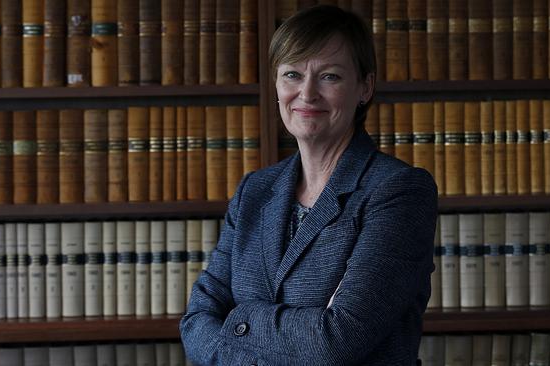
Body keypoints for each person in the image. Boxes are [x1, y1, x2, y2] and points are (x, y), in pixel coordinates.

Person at [180, 5, 437, 365]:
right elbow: (195, 324)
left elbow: (336, 342)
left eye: (329, 76)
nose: (307, 93)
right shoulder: (254, 192)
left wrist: (238, 319)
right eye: (292, 74)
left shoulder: (398, 192)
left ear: (365, 86)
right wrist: (306, 328)